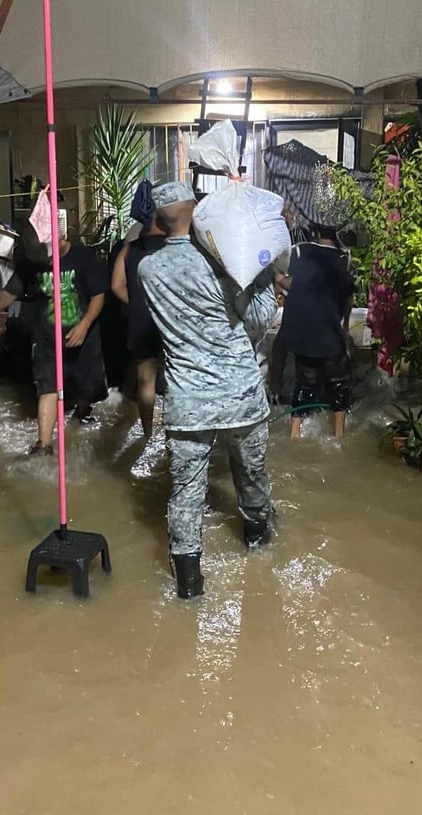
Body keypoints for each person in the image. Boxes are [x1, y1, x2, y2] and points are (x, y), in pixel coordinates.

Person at [137, 181, 277, 600]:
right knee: (251, 478)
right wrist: (263, 275)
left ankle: (189, 586)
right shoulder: (224, 260)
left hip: (187, 403)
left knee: (185, 493)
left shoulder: (147, 269)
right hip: (241, 397)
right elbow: (260, 319)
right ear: (197, 212)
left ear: (159, 222)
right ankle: (261, 554)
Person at [0, 228, 108, 454]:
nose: (47, 260)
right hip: (46, 337)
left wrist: (84, 325)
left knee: (85, 387)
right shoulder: (31, 263)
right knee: (46, 385)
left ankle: (83, 410)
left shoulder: (83, 257)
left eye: (49, 253)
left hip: (82, 336)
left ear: (61, 237)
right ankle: (44, 444)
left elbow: (98, 296)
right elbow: (9, 294)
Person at [276, 224, 355, 440]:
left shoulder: (299, 251)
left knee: (303, 382)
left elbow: (289, 283)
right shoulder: (343, 258)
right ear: (337, 233)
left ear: (316, 232)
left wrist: (277, 277)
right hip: (329, 330)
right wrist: (345, 330)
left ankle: (294, 434)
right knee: (339, 383)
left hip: (301, 332)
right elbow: (348, 301)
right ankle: (339, 436)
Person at [111, 218, 168, 437]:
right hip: (172, 319)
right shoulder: (177, 246)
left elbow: (116, 286)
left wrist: (136, 302)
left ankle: (147, 432)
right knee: (177, 377)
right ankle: (175, 432)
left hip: (141, 319)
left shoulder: (129, 249)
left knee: (146, 381)